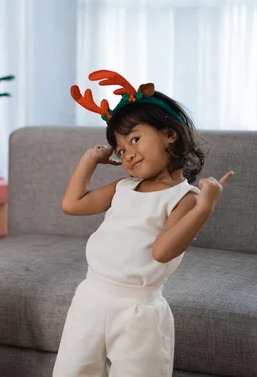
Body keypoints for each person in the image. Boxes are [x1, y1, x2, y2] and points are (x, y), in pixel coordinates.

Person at [53, 70, 234, 376]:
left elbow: (162, 252)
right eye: (121, 149)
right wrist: (90, 159)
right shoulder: (122, 187)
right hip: (91, 297)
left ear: (169, 134)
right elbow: (72, 204)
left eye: (135, 139)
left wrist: (205, 207)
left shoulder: (183, 198)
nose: (128, 154)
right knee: (73, 370)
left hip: (138, 311)